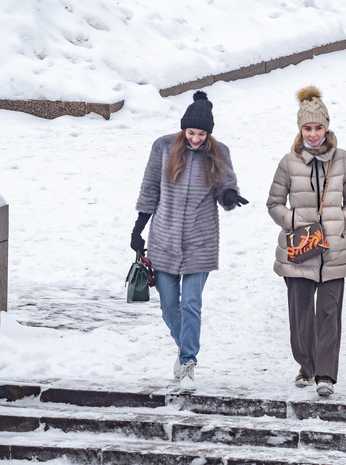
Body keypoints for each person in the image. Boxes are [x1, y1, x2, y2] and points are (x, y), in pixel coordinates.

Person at [131, 91, 248, 394]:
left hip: (201, 241)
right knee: (170, 306)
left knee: (191, 303)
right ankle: (184, 348)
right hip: (164, 240)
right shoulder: (163, 147)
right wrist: (138, 228)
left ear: (209, 133)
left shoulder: (218, 152)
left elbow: (226, 185)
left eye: (202, 133)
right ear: (184, 129)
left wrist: (229, 195)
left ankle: (188, 362)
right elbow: (150, 187)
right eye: (191, 132)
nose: (196, 138)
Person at [266, 86, 346, 397]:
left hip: (334, 251)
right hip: (299, 250)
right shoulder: (288, 162)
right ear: (300, 129)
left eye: (318, 127)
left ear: (327, 126)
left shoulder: (343, 160)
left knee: (329, 313)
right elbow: (274, 203)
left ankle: (325, 376)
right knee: (301, 315)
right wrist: (294, 221)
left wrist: (341, 223)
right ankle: (306, 367)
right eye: (307, 127)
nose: (313, 133)